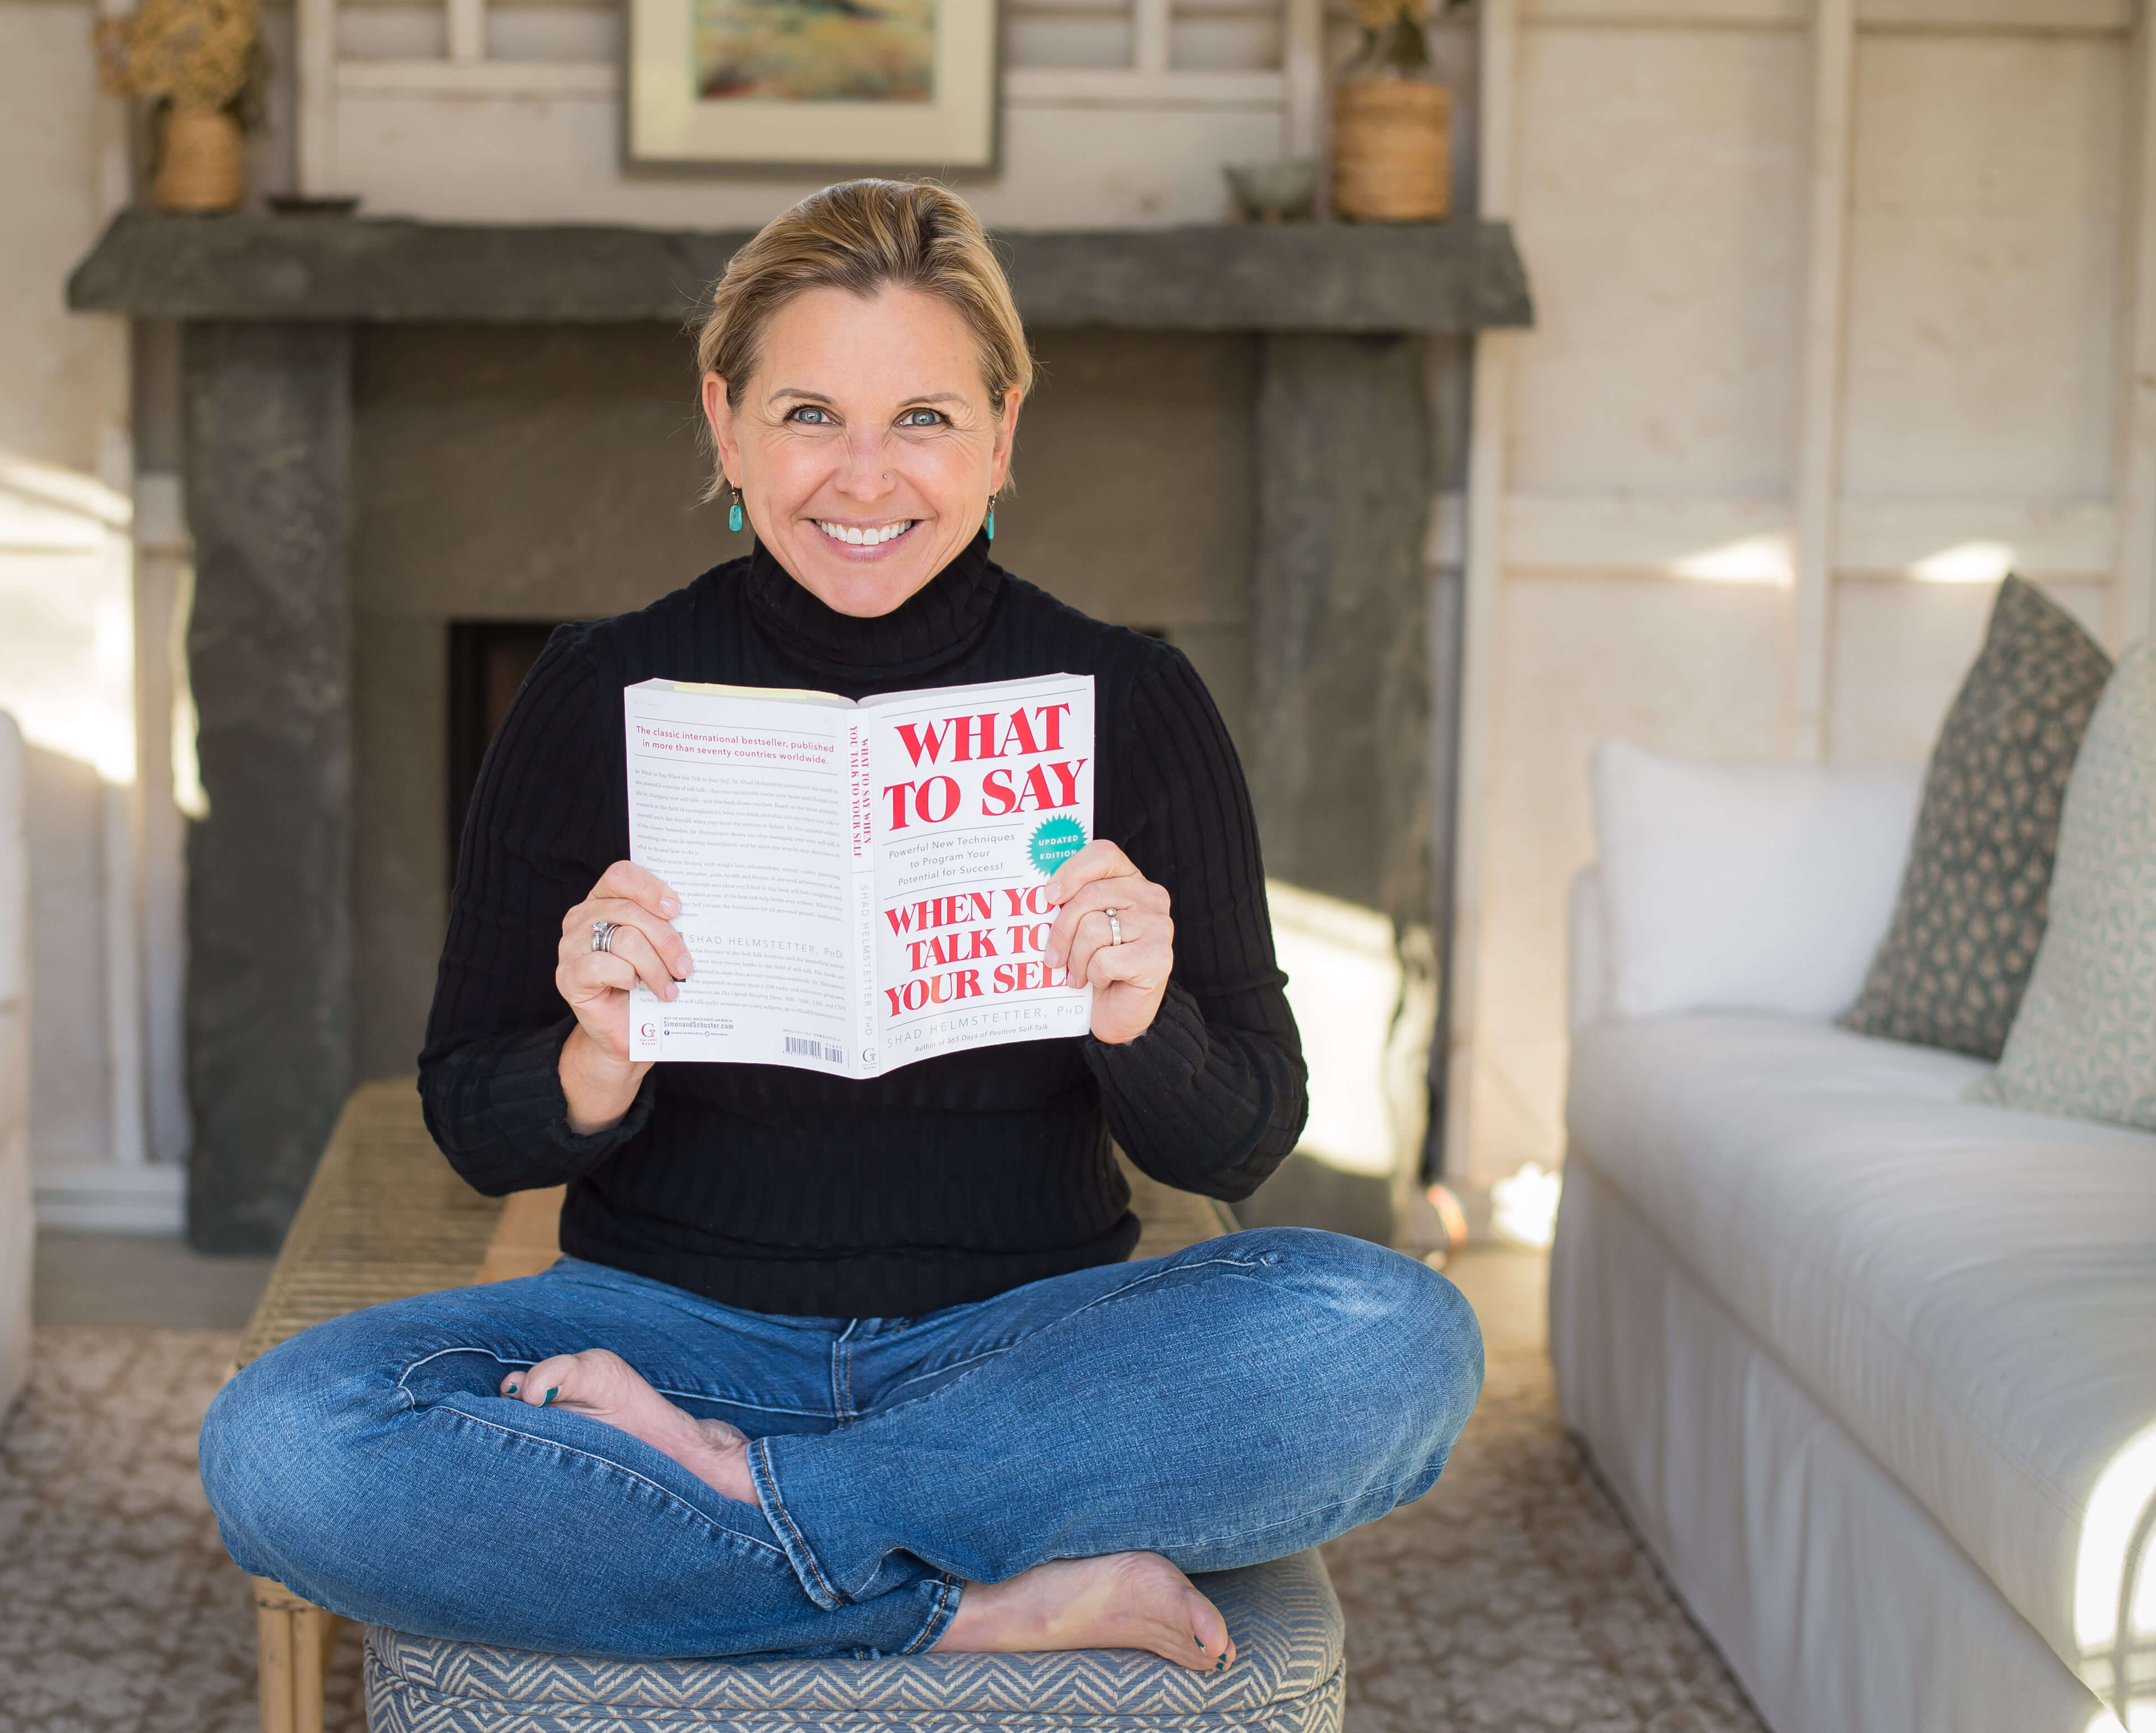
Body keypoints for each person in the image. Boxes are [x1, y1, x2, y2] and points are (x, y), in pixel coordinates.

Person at [200, 178, 1482, 1670]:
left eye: (924, 420)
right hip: (671, 1328)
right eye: (810, 414)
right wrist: (591, 1061)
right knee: (287, 1445)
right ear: (724, 425)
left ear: (1004, 433)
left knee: (1399, 1339)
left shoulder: (1130, 699)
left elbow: (1242, 1142)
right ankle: (967, 1603)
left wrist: (1142, 1024)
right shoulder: (597, 691)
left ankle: (740, 1498)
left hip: (1024, 1353)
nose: (863, 479)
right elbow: (476, 1128)